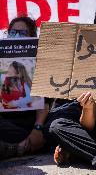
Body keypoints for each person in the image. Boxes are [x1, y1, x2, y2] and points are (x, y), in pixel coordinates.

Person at [0, 16, 56, 160]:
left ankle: (17, 146)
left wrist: (37, 129)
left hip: (30, 125)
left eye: (22, 33)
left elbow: (45, 103)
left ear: (32, 37)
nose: (16, 37)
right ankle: (18, 147)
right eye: (13, 33)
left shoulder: (42, 65)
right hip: (5, 124)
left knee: (54, 129)